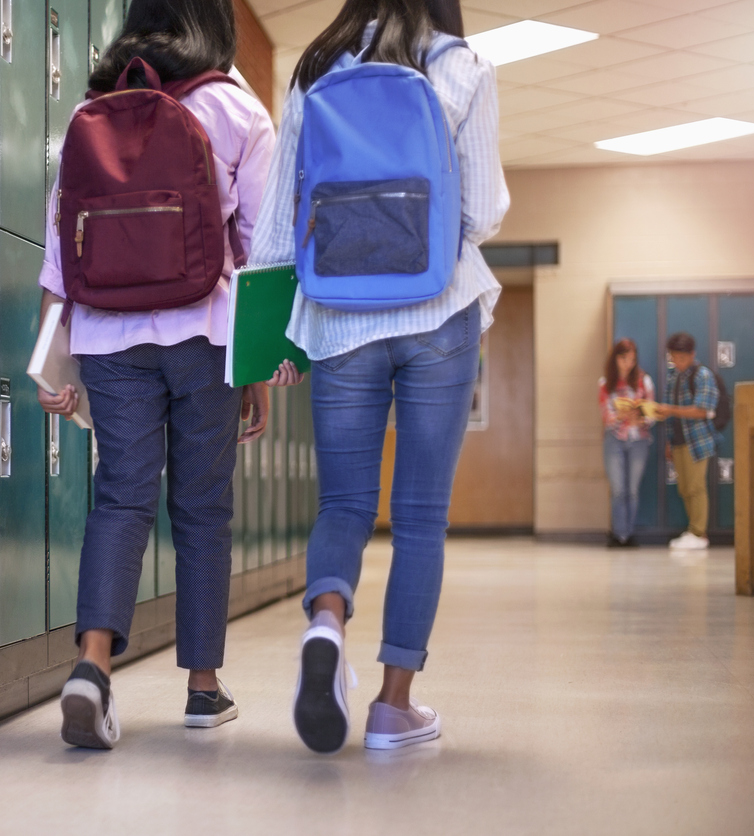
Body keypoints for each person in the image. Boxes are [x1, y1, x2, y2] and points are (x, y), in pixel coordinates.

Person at [256, 0, 508, 753]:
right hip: (439, 307)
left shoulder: (314, 67)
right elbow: (485, 210)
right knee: (421, 516)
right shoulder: (461, 67)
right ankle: (394, 708)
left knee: (343, 502)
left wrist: (275, 339)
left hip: (337, 315)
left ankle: (326, 621)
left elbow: (276, 226)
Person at [35, 0, 276, 749]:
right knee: (202, 507)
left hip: (107, 335)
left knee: (120, 498)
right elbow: (261, 254)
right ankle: (202, 691)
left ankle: (92, 666)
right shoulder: (238, 110)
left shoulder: (95, 109)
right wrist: (258, 367)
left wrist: (51, 357)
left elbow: (60, 248)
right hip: (203, 331)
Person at [652, 332, 718, 551]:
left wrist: (670, 410)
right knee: (684, 488)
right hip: (678, 441)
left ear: (692, 355)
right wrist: (669, 442)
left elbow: (702, 411)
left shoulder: (703, 375)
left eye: (681, 358)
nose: (677, 362)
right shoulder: (673, 376)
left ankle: (699, 532)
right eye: (673, 358)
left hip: (697, 441)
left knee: (696, 487)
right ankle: (693, 531)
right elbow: (670, 416)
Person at [598, 338, 655, 548]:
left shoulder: (644, 381)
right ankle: (618, 534)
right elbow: (607, 415)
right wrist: (622, 416)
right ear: (615, 359)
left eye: (632, 359)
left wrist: (640, 419)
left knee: (632, 490)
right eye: (623, 359)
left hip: (638, 439)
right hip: (614, 440)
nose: (628, 364)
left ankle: (628, 534)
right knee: (618, 489)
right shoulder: (606, 383)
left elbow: (651, 413)